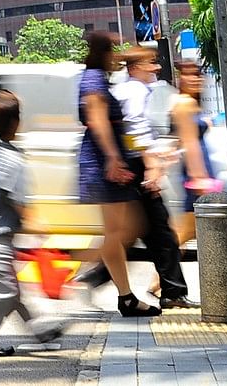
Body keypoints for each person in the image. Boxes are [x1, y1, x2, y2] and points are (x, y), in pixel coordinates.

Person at [0, 90, 67, 357]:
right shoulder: (13, 160)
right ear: (15, 123)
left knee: (10, 290)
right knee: (4, 290)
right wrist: (35, 223)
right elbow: (17, 198)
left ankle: (40, 330)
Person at [74, 32, 153, 316]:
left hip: (104, 159)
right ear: (104, 53)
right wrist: (112, 158)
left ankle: (112, 288)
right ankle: (86, 279)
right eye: (113, 51)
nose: (116, 57)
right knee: (124, 229)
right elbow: (97, 121)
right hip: (102, 161)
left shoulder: (95, 78)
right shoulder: (93, 80)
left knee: (125, 229)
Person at [109, 47, 191, 308]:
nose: (156, 68)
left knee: (147, 229)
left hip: (133, 163)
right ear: (134, 68)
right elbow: (135, 128)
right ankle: (172, 292)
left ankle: (172, 291)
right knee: (157, 229)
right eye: (150, 64)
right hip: (136, 166)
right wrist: (149, 165)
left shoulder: (126, 89)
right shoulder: (135, 91)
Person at [167, 57, 217, 250]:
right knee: (187, 229)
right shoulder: (184, 104)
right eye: (188, 75)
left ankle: (162, 278)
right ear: (180, 78)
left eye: (197, 75)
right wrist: (199, 176)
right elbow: (189, 141)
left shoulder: (192, 104)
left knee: (191, 229)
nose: (194, 79)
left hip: (201, 169)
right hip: (195, 172)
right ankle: (160, 279)